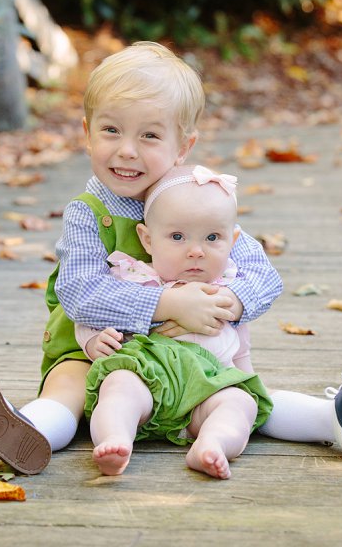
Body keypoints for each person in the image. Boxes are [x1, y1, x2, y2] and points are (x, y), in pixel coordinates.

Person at [0, 41, 342, 476]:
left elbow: (262, 273)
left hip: (195, 361)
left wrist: (229, 302)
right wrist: (168, 306)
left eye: (149, 136)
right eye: (111, 130)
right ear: (87, 131)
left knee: (243, 399)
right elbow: (79, 292)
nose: (126, 150)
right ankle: (24, 431)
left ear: (184, 146)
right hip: (95, 350)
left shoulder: (199, 200)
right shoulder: (89, 215)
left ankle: (335, 419)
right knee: (69, 392)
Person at [78, 164, 271, 479]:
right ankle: (115, 438)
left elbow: (240, 349)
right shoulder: (134, 277)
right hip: (146, 379)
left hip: (205, 391)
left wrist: (244, 382)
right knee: (119, 387)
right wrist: (91, 340)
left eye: (212, 238)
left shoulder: (226, 292)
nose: (195, 251)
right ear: (148, 240)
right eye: (177, 237)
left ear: (232, 241)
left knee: (240, 405)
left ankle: (212, 443)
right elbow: (98, 311)